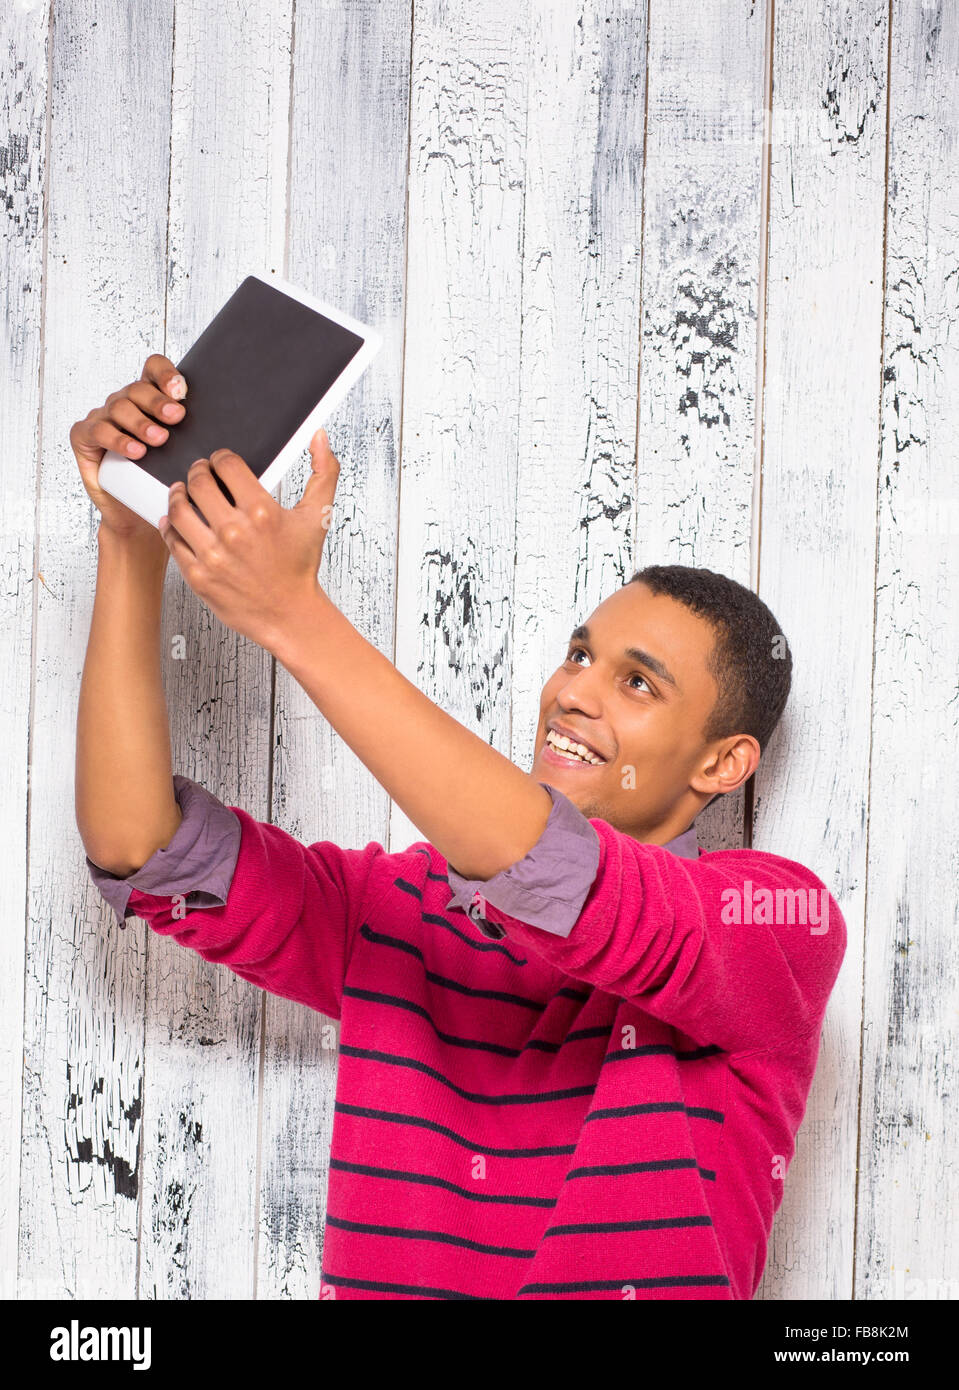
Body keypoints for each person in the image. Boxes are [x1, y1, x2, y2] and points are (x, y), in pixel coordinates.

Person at [73, 354, 846, 1301]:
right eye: (579, 655)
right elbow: (141, 853)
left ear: (722, 764)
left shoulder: (773, 927)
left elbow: (560, 876)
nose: (573, 693)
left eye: (636, 682)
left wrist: (293, 616)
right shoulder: (398, 908)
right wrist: (129, 541)